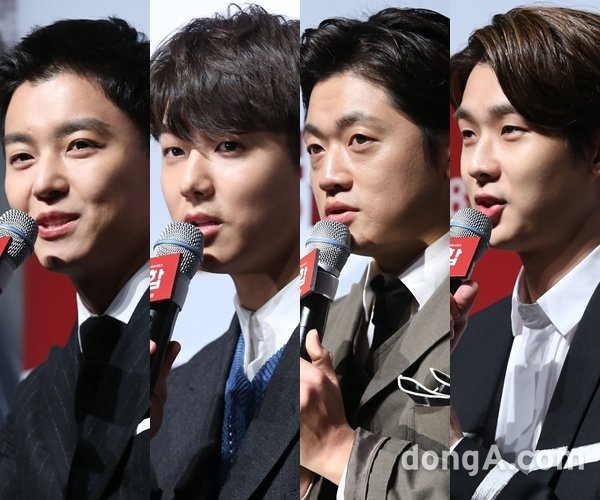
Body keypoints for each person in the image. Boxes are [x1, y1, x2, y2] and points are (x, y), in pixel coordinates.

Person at [149, 5, 300, 499]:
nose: (191, 182)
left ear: (304, 157)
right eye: (175, 150)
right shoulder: (173, 390)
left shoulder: (358, 350)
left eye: (228, 145)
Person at [450, 6, 600, 499]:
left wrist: (456, 457)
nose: (478, 165)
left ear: (595, 150)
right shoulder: (464, 348)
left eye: (511, 129)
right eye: (468, 134)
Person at [300, 8, 450, 498]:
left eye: (359, 140)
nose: (328, 177)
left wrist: (337, 450)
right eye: (316, 148)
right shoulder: (317, 323)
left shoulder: (504, 307)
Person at [0, 17, 150, 498]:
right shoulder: (33, 399)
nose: (43, 183)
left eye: (79, 145)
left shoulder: (209, 349)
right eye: (21, 157)